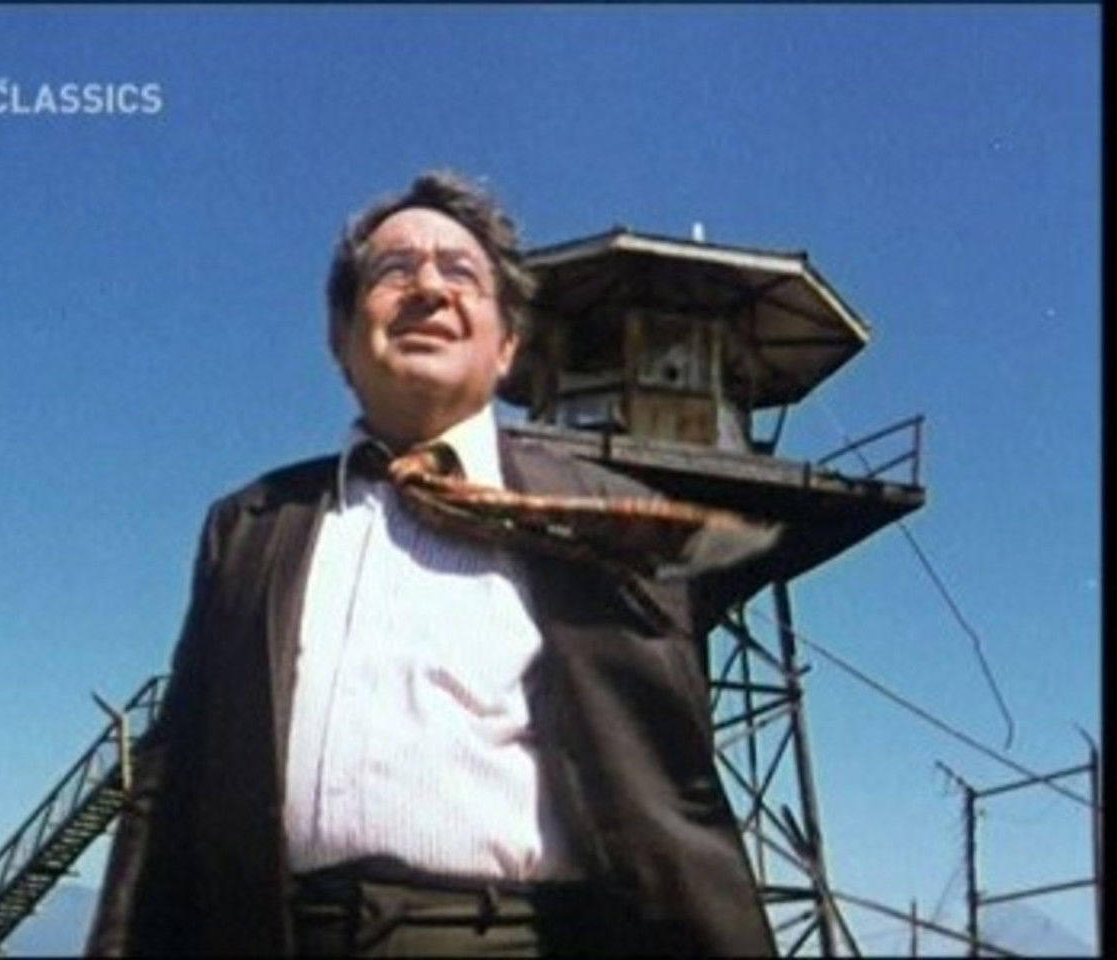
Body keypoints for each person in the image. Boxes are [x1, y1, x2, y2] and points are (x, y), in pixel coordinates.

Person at [86, 169, 780, 957]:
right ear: (342, 337)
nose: (429, 289)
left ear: (508, 344)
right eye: (393, 270)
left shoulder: (611, 523)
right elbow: (172, 779)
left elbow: (671, 793)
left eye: (461, 273)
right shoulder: (252, 525)